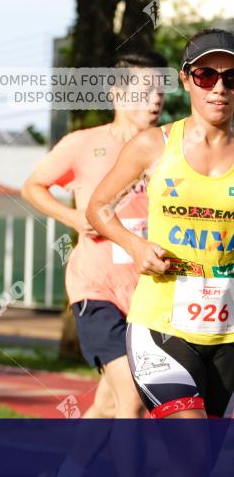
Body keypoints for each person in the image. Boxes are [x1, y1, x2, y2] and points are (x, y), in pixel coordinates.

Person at [87, 28, 234, 422]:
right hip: (160, 324)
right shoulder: (153, 145)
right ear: (186, 79)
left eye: (231, 78)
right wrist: (135, 246)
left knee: (199, 459)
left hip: (227, 331)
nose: (219, 88)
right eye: (206, 75)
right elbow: (98, 207)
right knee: (191, 442)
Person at [22, 52, 167, 419]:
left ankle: (74, 468)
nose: (156, 99)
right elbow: (33, 186)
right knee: (133, 396)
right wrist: (72, 216)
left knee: (107, 404)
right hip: (96, 288)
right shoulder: (83, 144)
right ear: (117, 95)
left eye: (160, 90)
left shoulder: (172, 147)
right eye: (145, 90)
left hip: (148, 291)